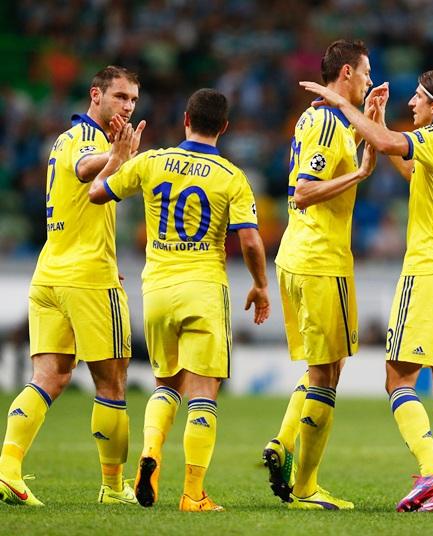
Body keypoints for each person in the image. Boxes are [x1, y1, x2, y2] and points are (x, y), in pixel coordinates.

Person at [301, 68, 433, 512]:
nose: (411, 104)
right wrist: (377, 122)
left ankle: (430, 470)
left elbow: (386, 146)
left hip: (428, 275)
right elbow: (409, 169)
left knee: (398, 379)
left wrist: (347, 107)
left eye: (418, 98)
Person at [89, 88, 270, 512]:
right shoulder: (231, 177)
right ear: (223, 127)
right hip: (204, 288)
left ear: (185, 118)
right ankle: (193, 492)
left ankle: (150, 452)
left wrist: (117, 157)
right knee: (204, 392)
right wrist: (261, 284)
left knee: (165, 385)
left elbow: (97, 194)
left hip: (156, 290)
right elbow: (249, 240)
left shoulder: (151, 161)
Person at [0, 66, 144, 507]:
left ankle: (7, 469)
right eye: (120, 97)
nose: (127, 107)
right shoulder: (87, 140)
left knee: (51, 376)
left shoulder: (65, 139)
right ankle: (113, 486)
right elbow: (86, 171)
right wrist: (118, 157)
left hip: (52, 272)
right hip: (86, 278)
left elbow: (81, 199)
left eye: (133, 100)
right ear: (95, 94)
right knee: (113, 382)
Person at [262, 39, 382, 511]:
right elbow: (305, 190)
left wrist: (369, 120)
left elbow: (332, 154)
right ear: (347, 72)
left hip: (301, 253)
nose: (371, 79)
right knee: (326, 373)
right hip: (320, 258)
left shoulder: (319, 118)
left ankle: (283, 442)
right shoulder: (329, 122)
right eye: (367, 73)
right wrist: (358, 176)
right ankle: (306, 488)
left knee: (324, 367)